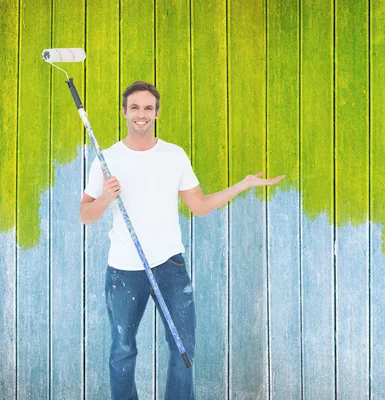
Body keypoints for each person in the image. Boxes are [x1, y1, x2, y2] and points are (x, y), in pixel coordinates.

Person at [79, 81, 285, 400]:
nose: (141, 114)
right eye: (134, 107)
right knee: (122, 352)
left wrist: (242, 185)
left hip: (170, 266)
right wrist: (106, 198)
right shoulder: (107, 159)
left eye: (148, 108)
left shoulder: (174, 156)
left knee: (183, 350)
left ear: (157, 112)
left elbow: (199, 206)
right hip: (123, 271)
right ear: (124, 112)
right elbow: (85, 214)